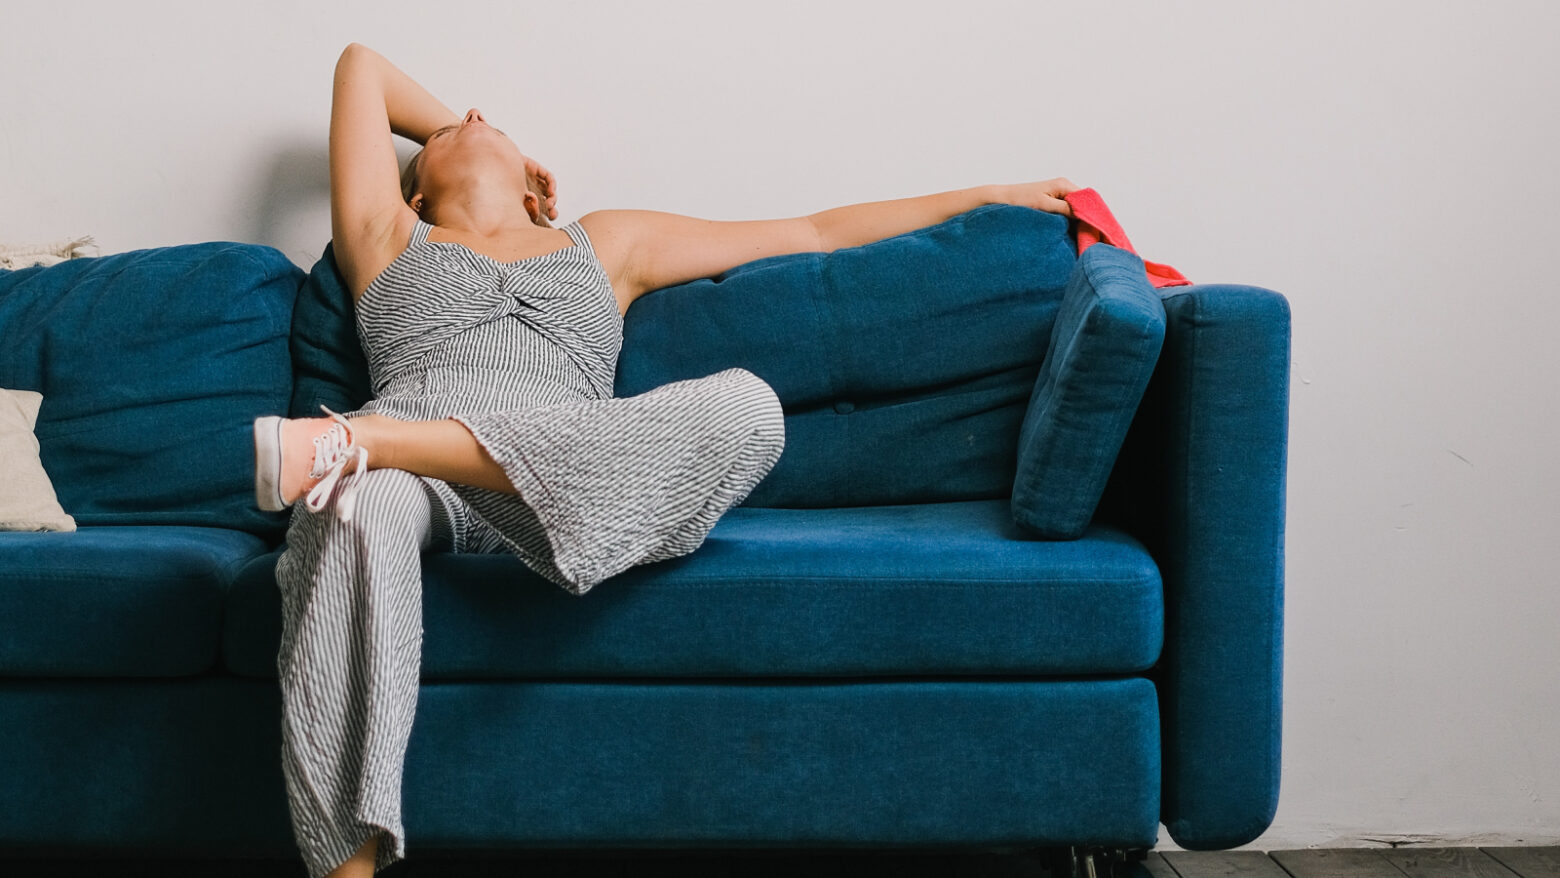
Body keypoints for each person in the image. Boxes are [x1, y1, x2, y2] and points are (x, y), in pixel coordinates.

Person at [252, 41, 1080, 878]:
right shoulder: (385, 232)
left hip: (571, 481)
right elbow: (361, 65)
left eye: (489, 120)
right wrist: (469, 129)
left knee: (748, 409)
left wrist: (992, 195)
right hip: (410, 487)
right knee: (355, 506)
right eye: (449, 128)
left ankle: (361, 437)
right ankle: (348, 871)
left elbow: (815, 232)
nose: (471, 117)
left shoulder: (606, 243)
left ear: (541, 188)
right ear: (415, 185)